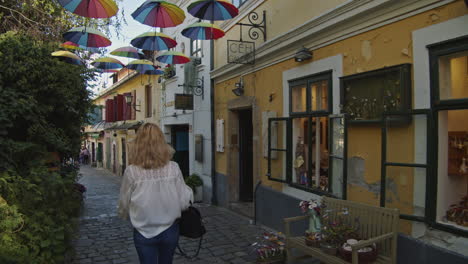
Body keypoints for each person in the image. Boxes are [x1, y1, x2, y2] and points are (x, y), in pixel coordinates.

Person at [118, 123, 193, 264]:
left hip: (143, 231)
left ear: (138, 144)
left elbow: (124, 203)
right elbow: (184, 201)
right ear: (162, 142)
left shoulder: (132, 171)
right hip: (170, 229)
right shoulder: (173, 168)